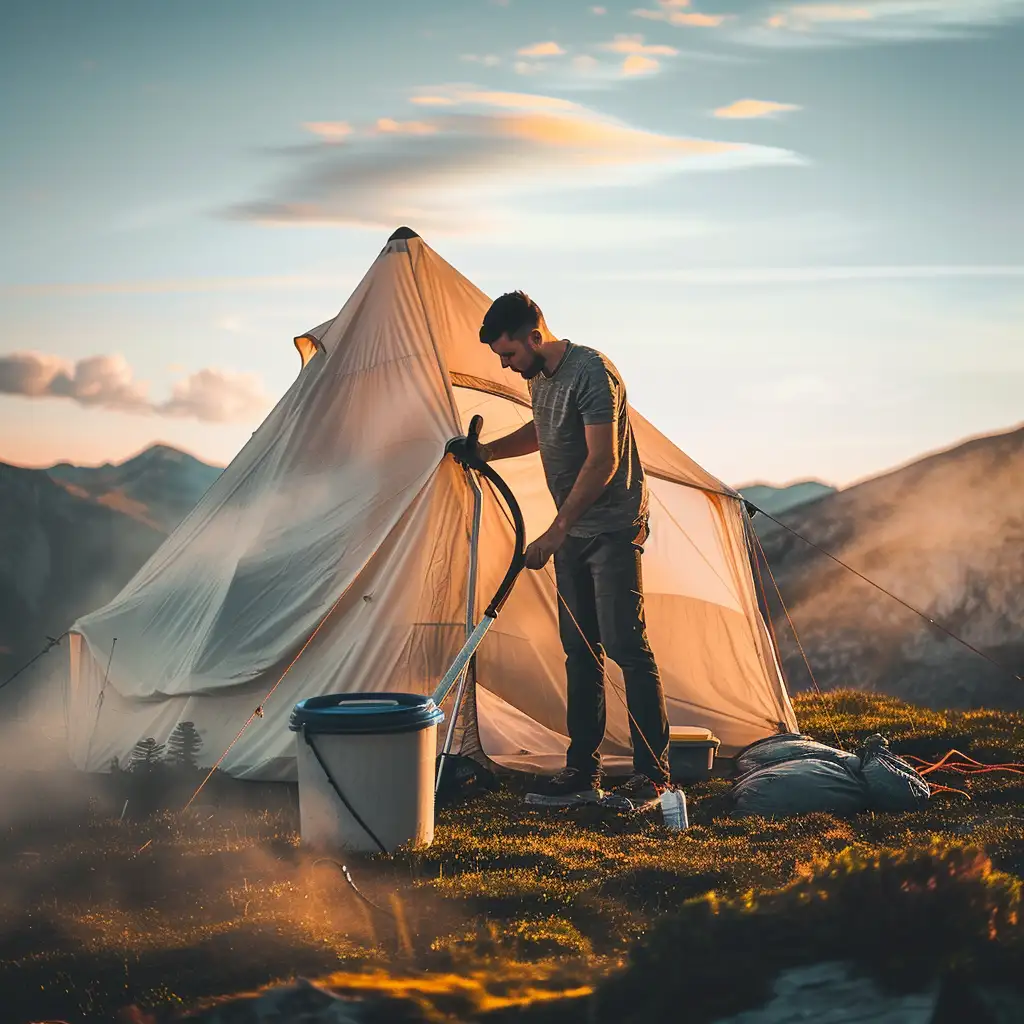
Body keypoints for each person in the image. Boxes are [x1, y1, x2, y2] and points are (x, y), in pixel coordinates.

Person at [452, 290, 672, 809]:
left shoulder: (593, 371)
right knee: (580, 653)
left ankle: (654, 776)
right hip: (573, 533)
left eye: (509, 355)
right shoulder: (539, 379)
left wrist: (555, 531)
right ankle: (581, 771)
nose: (507, 367)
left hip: (613, 529)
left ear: (535, 336)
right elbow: (541, 430)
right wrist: (487, 453)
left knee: (626, 648)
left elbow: (603, 460)